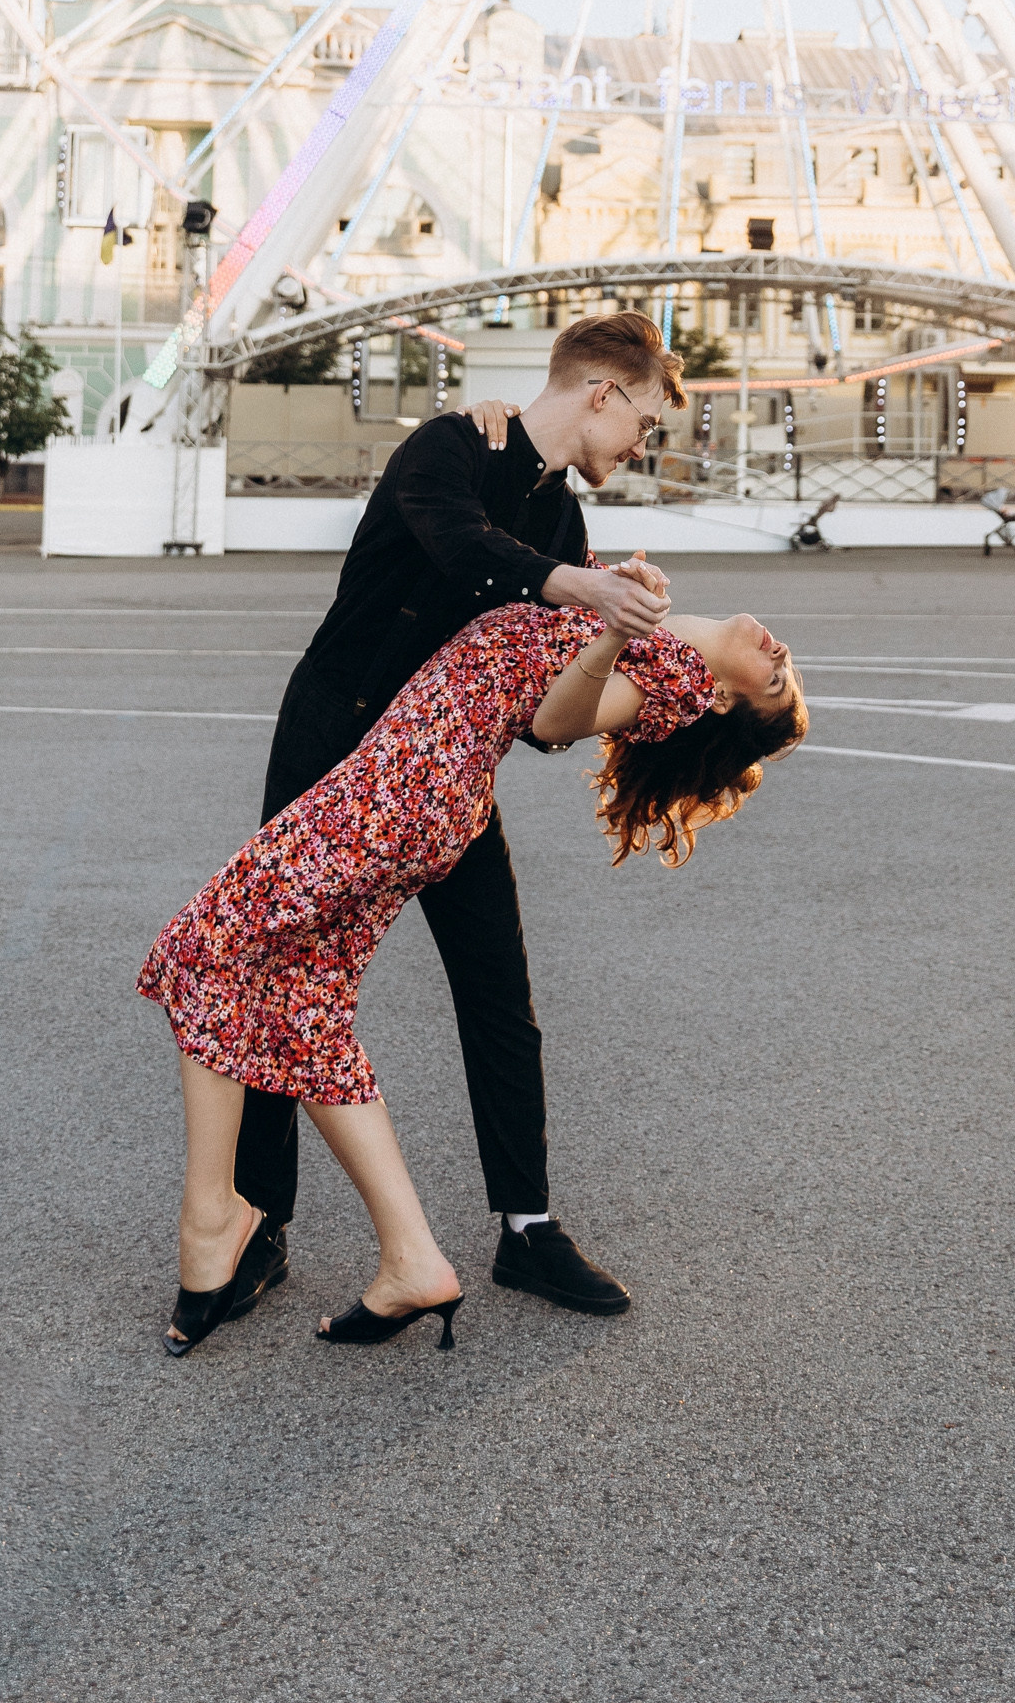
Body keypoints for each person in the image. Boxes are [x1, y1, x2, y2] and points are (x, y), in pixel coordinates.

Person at [140, 591, 806, 1354]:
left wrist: (612, 630)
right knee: (300, 1009)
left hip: (407, 787)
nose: (783, 656)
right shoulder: (638, 619)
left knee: (201, 953)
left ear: (722, 699)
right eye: (789, 669)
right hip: (412, 782)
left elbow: (554, 722)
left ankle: (210, 1223)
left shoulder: (676, 677)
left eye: (779, 682)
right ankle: (411, 1260)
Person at [214, 310, 691, 1333]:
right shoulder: (448, 445)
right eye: (642, 423)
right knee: (271, 975)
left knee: (498, 993)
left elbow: (539, 709)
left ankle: (527, 1227)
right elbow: (459, 544)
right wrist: (579, 586)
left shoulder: (563, 524)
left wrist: (653, 665)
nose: (641, 448)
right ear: (598, 392)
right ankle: (259, 1223)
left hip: (442, 782)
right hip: (332, 744)